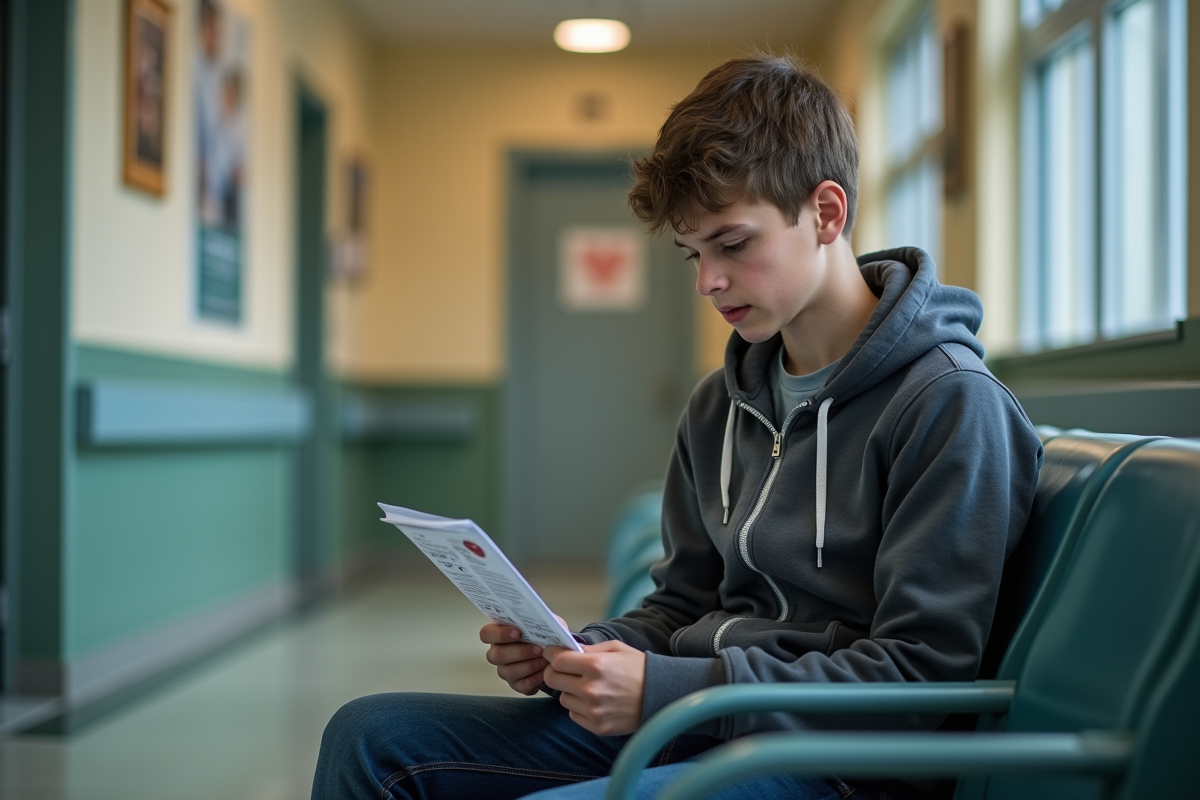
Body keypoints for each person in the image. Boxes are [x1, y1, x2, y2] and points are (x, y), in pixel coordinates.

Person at [311, 53, 1042, 800]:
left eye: (732, 244)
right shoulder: (718, 404)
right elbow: (682, 606)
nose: (707, 282)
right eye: (693, 253)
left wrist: (670, 689)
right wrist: (584, 655)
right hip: (701, 719)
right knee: (369, 737)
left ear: (826, 213)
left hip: (837, 760)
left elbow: (918, 676)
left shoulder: (950, 404)